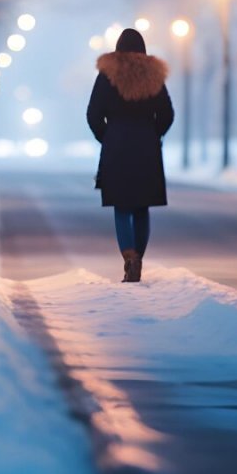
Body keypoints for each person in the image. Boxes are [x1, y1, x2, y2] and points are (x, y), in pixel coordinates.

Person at [87, 27, 174, 283]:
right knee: (141, 207)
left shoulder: (107, 74)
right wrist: (153, 134)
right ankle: (139, 259)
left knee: (122, 206)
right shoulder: (154, 76)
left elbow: (93, 113)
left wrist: (108, 136)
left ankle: (129, 258)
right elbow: (167, 113)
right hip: (147, 148)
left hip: (116, 147)